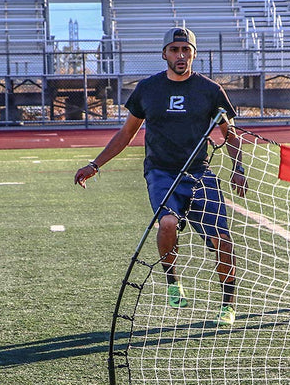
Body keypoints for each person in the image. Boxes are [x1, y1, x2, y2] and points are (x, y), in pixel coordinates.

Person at [74, 27, 245, 327]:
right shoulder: (148, 89)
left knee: (222, 240)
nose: (181, 55)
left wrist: (238, 169)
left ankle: (228, 304)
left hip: (198, 172)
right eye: (175, 50)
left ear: (194, 54)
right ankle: (173, 282)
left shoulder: (210, 90)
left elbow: (229, 134)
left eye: (186, 50)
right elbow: (126, 134)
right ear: (164, 53)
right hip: (161, 172)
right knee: (167, 223)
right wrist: (96, 164)